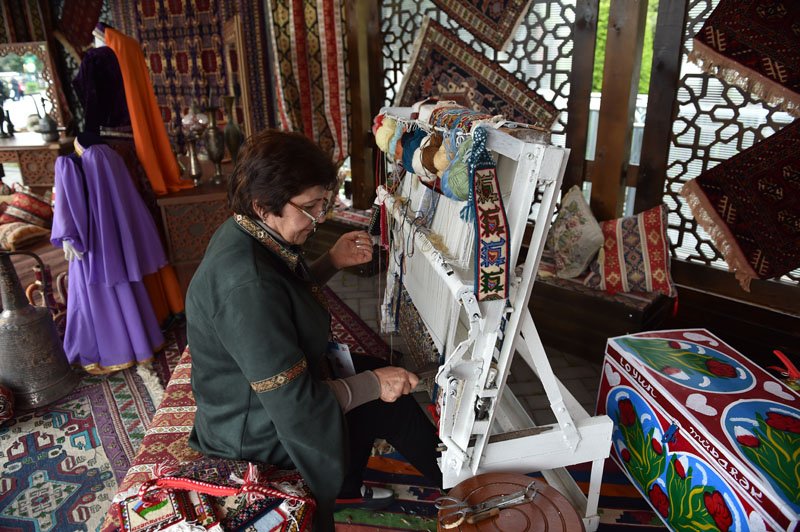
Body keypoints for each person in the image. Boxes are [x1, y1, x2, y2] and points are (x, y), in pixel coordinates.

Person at [186, 129, 442, 530]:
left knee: (378, 374)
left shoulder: (248, 231)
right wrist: (375, 384)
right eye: (309, 208)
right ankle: (463, 489)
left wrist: (331, 261)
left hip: (262, 396)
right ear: (263, 206)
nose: (319, 218)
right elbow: (295, 406)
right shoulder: (247, 285)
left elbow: (282, 296)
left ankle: (354, 484)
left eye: (323, 204)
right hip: (256, 430)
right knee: (385, 396)